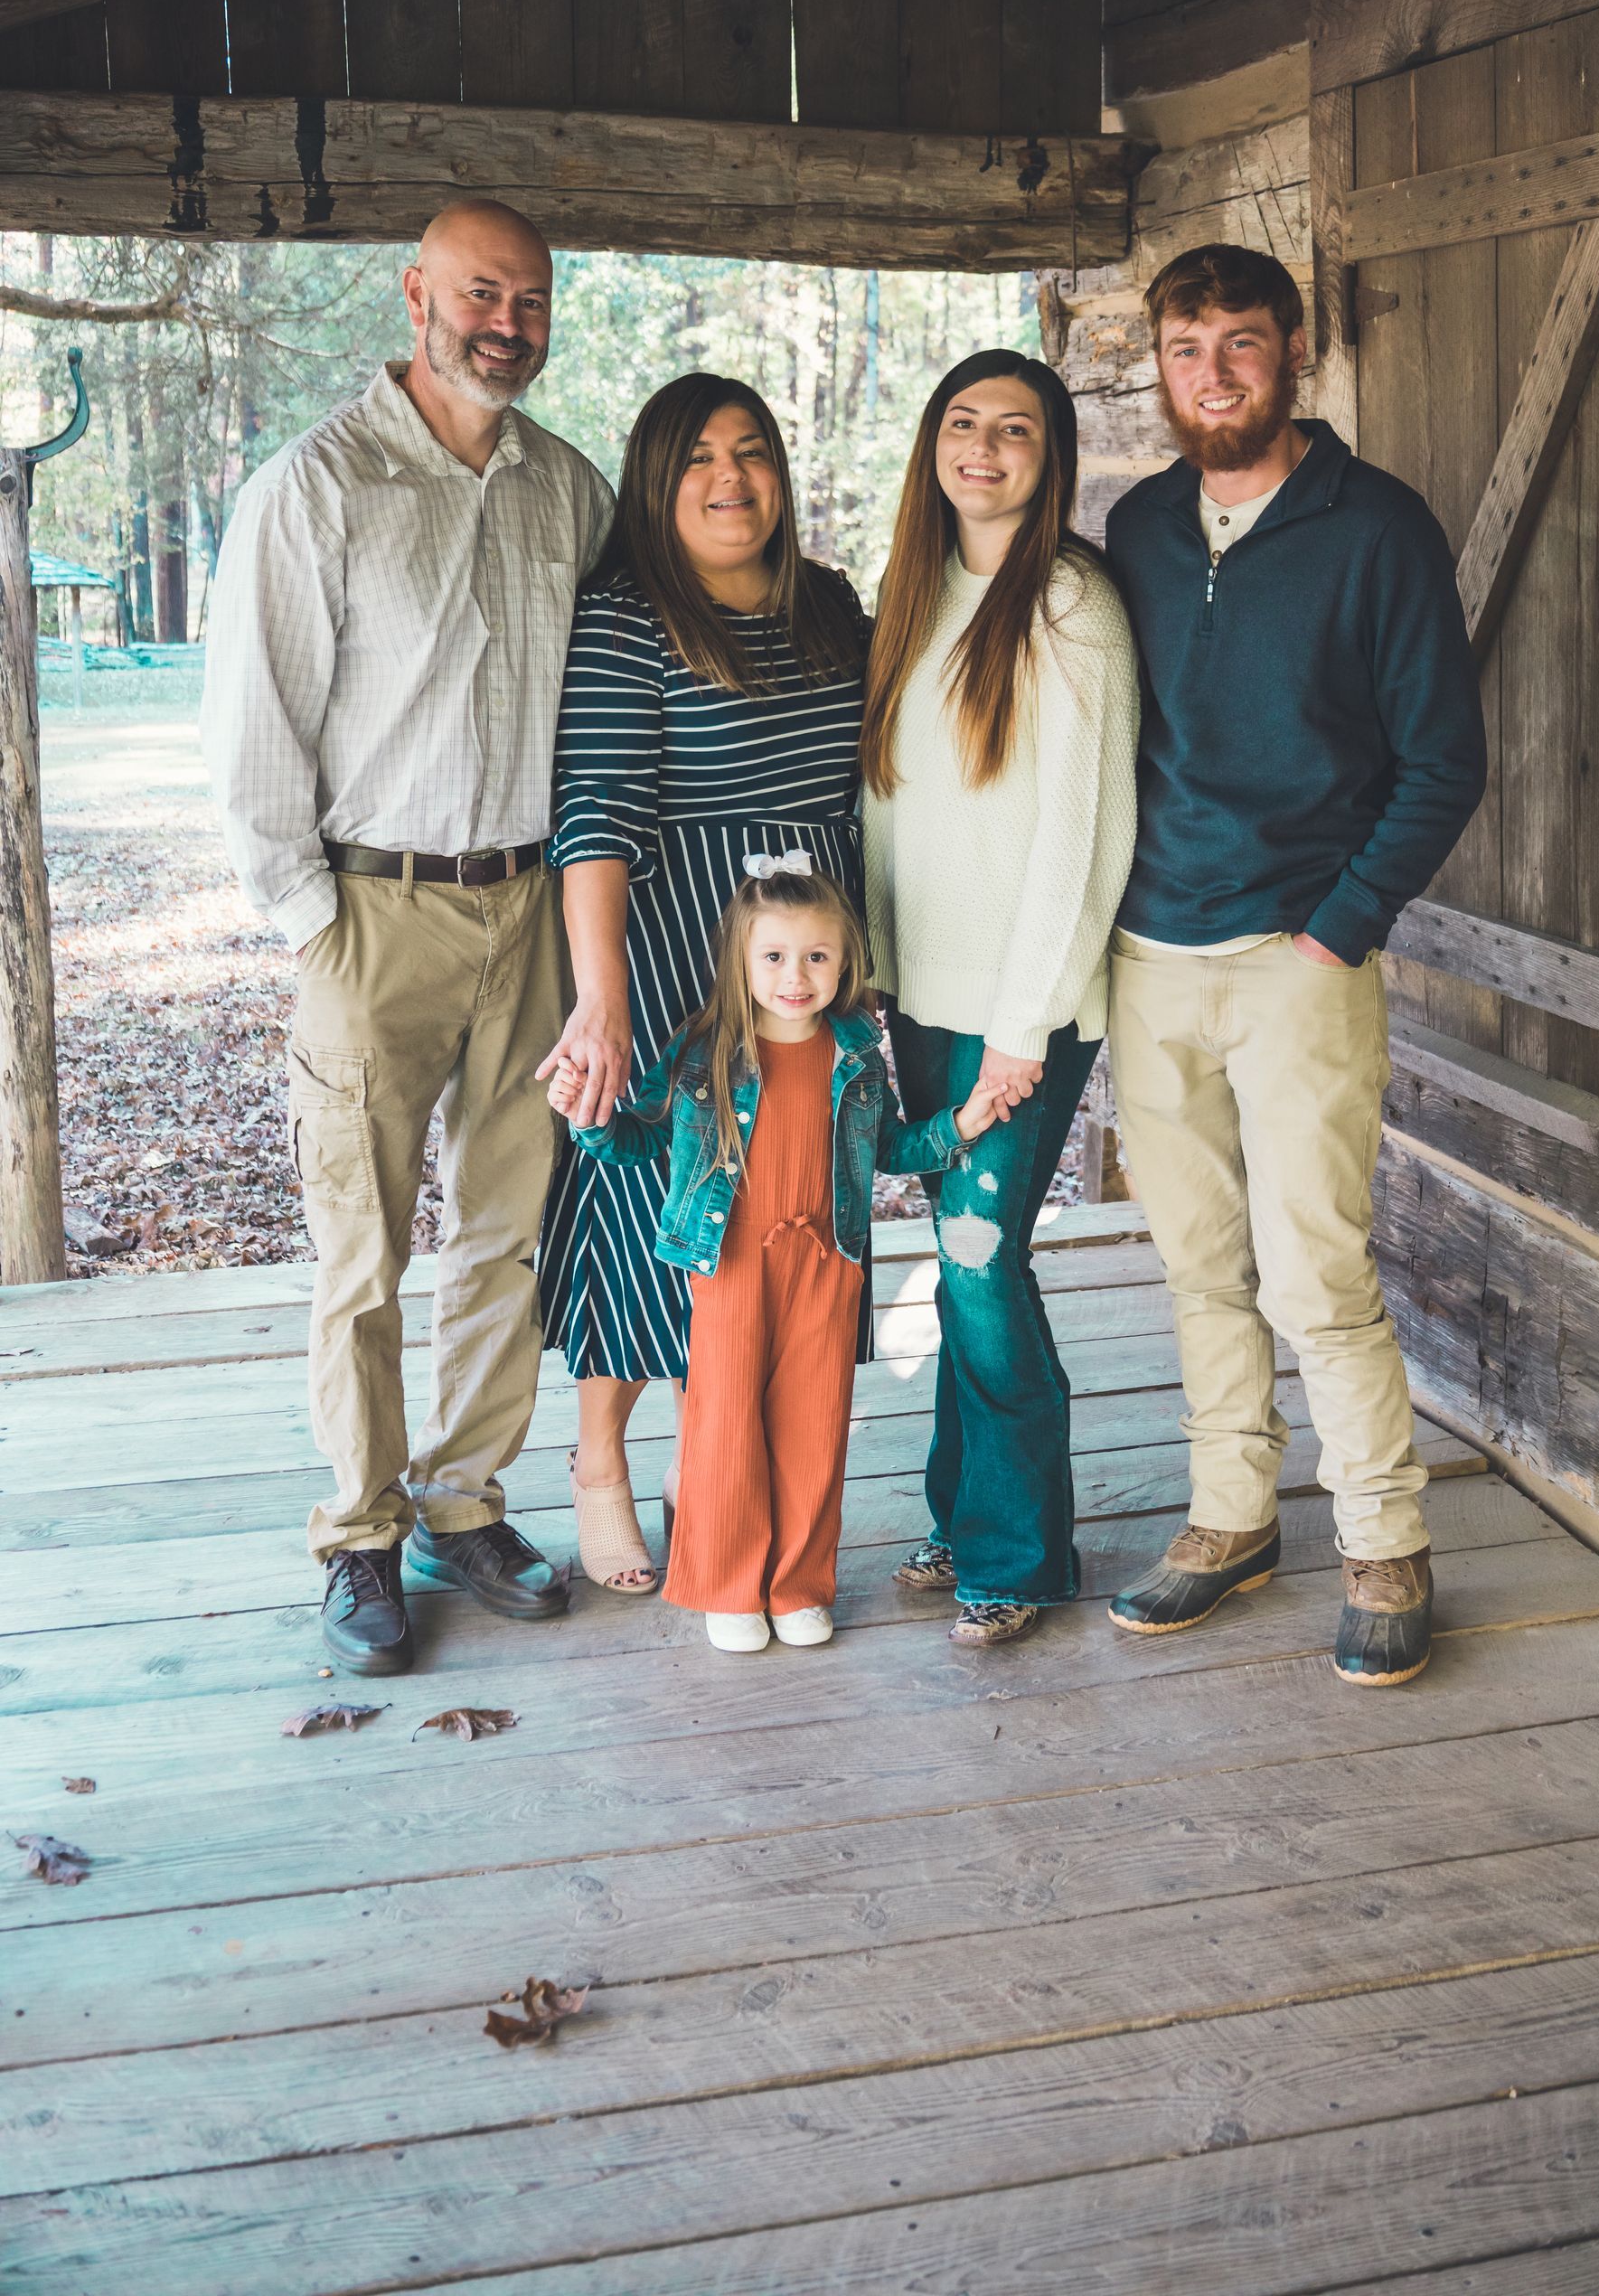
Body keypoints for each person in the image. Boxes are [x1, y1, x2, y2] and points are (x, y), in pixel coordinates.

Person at [202, 201, 614, 1676]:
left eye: (533, 297)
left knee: (506, 1237)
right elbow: (255, 740)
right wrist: (322, 932)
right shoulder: (314, 488)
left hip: (535, 914)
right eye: (481, 292)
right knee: (362, 1252)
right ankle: (364, 1534)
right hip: (370, 917)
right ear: (417, 295)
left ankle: (463, 1500)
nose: (509, 320)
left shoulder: (569, 490)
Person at [1101, 242, 1487, 1686]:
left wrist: (1344, 923)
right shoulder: (1135, 529)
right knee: (1199, 1260)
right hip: (1149, 952)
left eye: (1242, 344)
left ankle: (1385, 1537)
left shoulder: (1375, 527)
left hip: (1297, 955)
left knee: (1316, 1268)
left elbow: (1446, 758)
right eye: (1188, 347)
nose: (1215, 374)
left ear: (1297, 347)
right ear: (1158, 361)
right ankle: (1230, 1515)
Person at [536, 374, 869, 1595]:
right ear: (656, 484)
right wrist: (601, 993)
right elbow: (596, 820)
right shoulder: (629, 618)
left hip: (808, 963)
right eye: (699, 462)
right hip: (682, 955)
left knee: (770, 1220)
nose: (731, 480)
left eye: (752, 453)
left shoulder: (827, 604)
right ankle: (600, 1461)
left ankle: (713, 1450)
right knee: (652, 1213)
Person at [861, 349, 1140, 1646]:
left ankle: (1021, 1552)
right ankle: (960, 1510)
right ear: (934, 445)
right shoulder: (913, 594)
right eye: (963, 424)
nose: (983, 447)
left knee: (981, 1261)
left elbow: (1083, 839)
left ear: (1052, 454)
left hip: (1021, 1009)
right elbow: (886, 804)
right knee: (958, 1259)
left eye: (1014, 428)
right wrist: (867, 969)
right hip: (920, 995)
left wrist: (1022, 1033)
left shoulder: (1073, 605)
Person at [549, 861, 1007, 1651]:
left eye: (817, 957)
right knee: (724, 1423)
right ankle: (730, 1587)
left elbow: (892, 1145)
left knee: (813, 1425)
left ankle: (795, 1585)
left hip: (825, 1262)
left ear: (845, 961)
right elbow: (640, 1143)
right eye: (774, 957)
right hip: (729, 1265)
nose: (796, 976)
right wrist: (587, 1121)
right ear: (741, 960)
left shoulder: (856, 1051)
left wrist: (959, 1124)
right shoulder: (705, 1051)